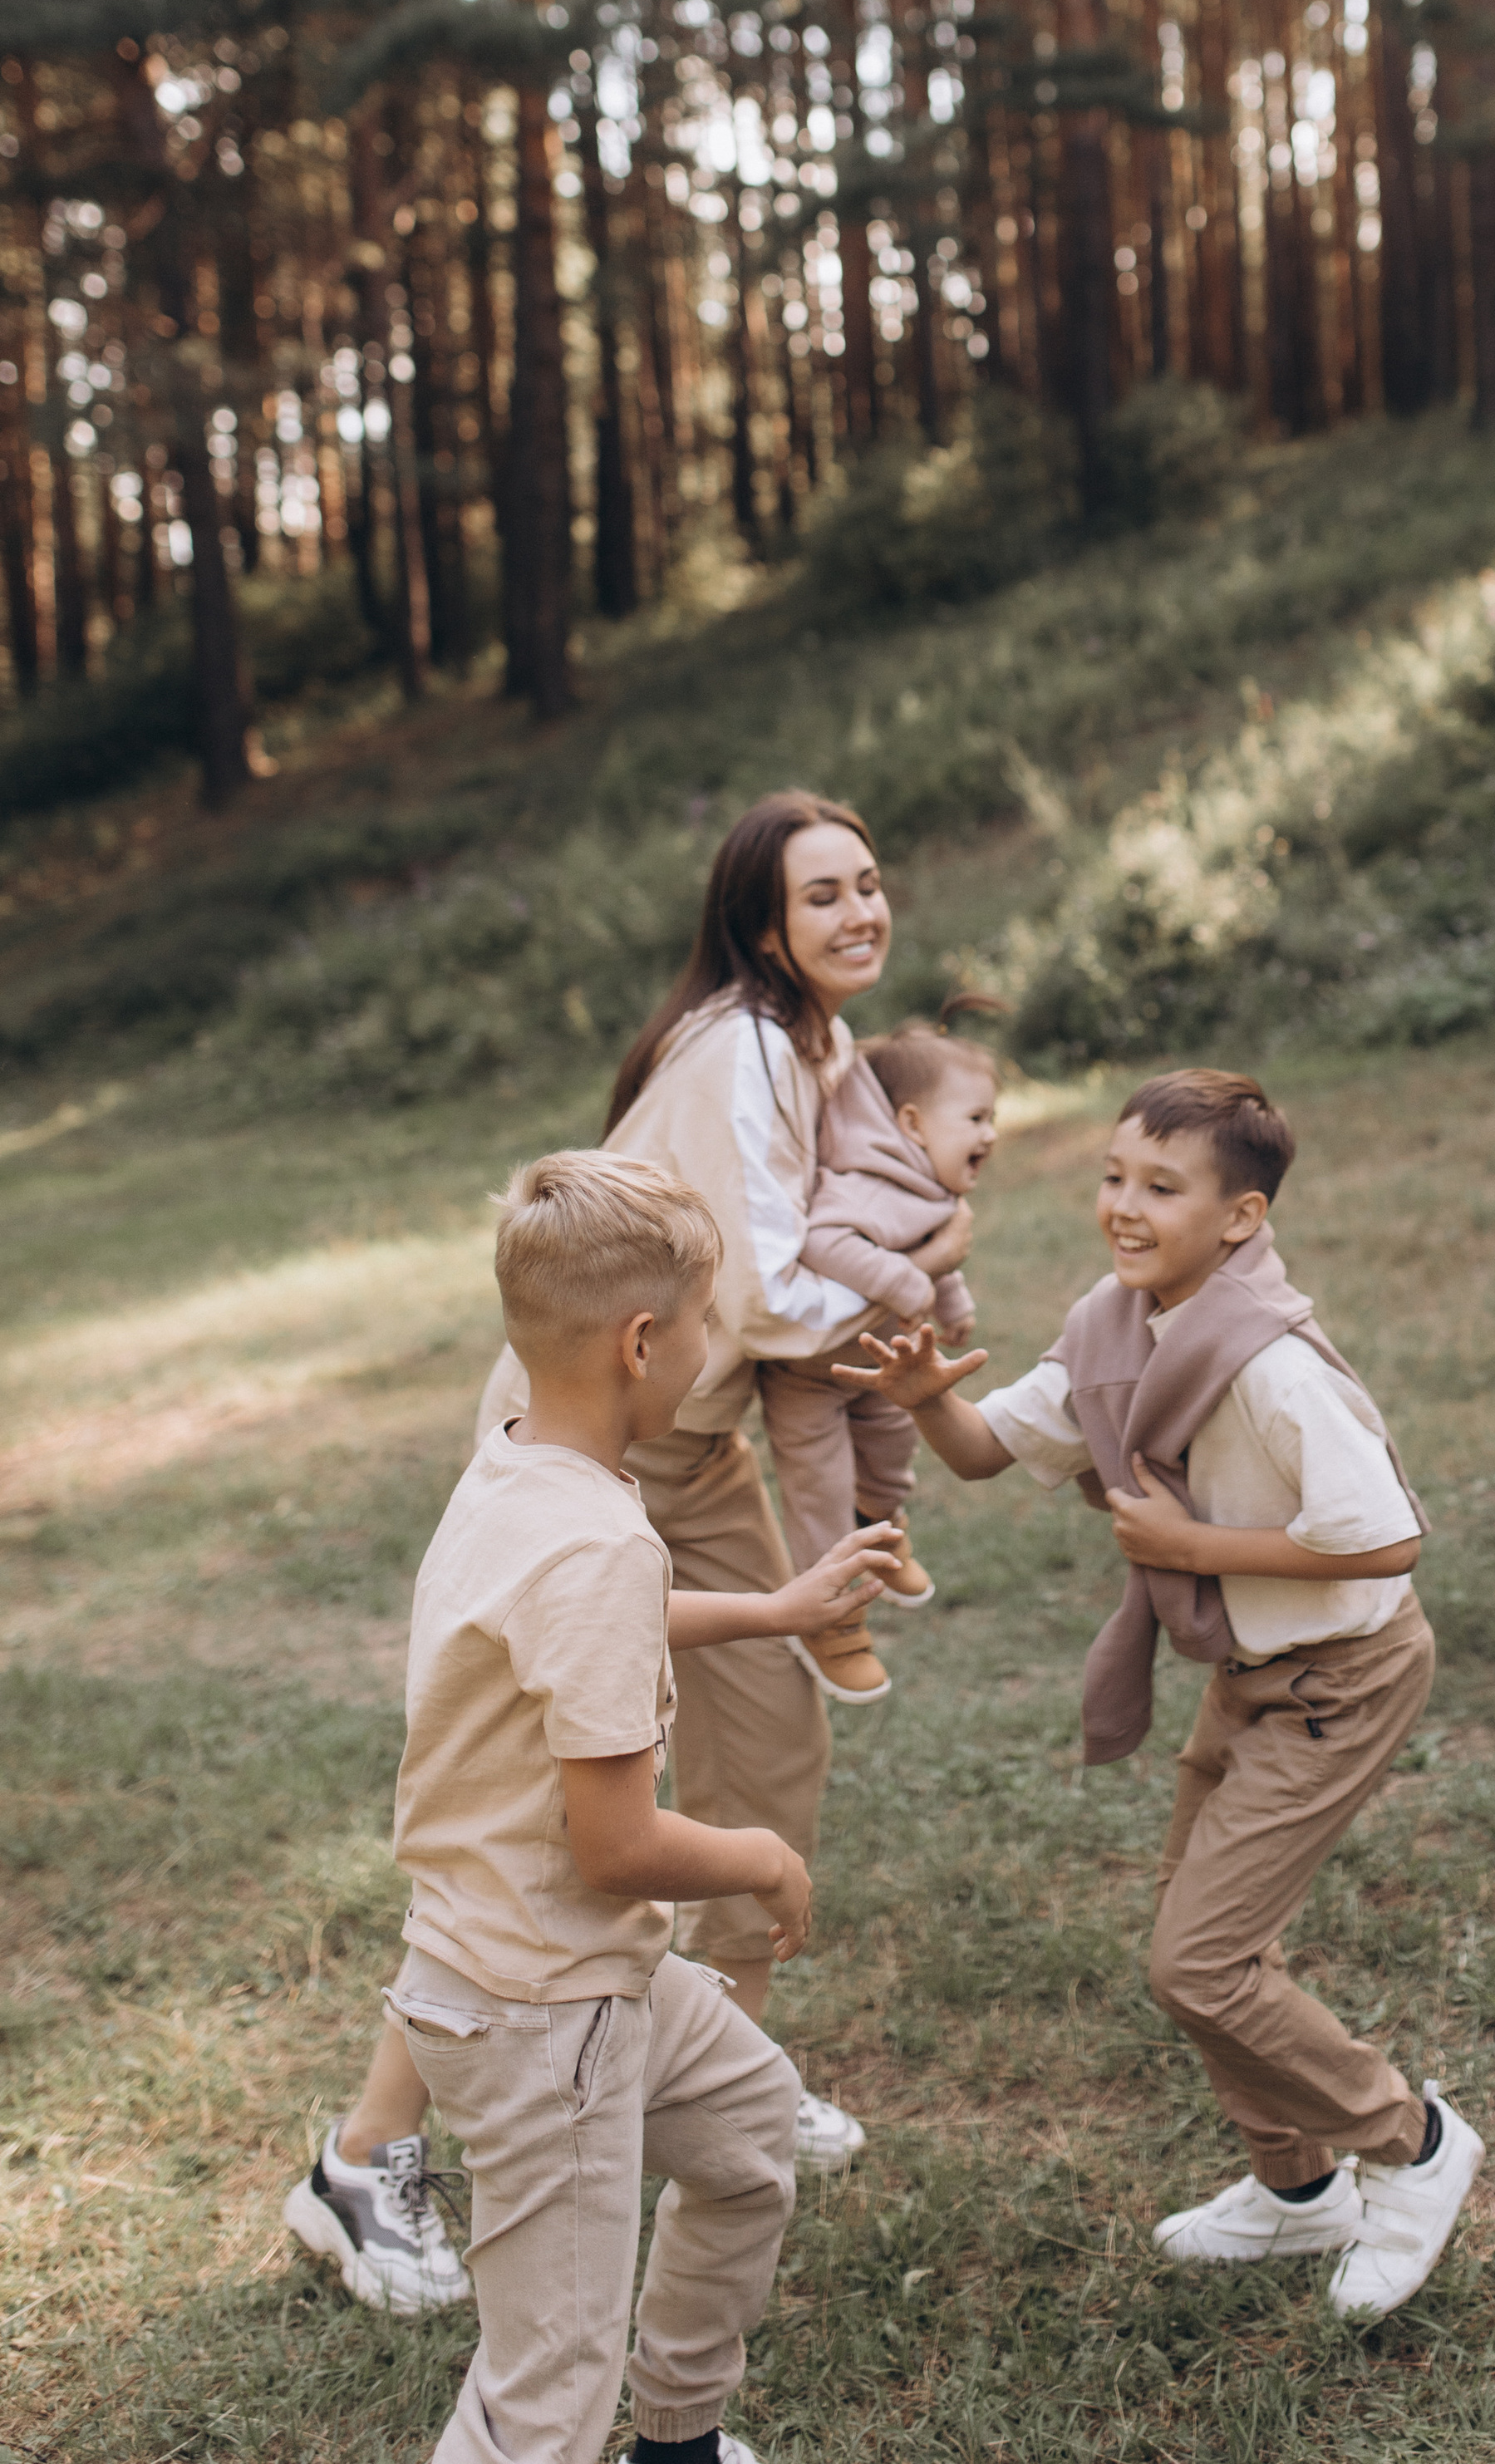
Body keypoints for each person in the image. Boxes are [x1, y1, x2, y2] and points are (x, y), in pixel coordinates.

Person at [285, 790, 966, 2314]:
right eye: (824, 895)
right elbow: (779, 1290)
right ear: (759, 923)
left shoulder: (822, 1047)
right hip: (598, 1431)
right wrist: (922, 1285)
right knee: (537, 1826)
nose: (861, 914)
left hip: (695, 1424)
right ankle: (361, 2160)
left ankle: (725, 2068)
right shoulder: (733, 1050)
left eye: (871, 886)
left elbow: (836, 1231)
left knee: (775, 1730)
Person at [837, 1067, 1487, 2325]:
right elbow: (986, 1450)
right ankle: (1298, 2192)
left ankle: (1413, 2142)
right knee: (1204, 1943)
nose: (1124, 1207)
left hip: (1338, 1680)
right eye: (1114, 1176)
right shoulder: (1116, 1323)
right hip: (1249, 1675)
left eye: (1162, 1186)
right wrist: (926, 1398)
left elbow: (1390, 1536)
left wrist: (1197, 1552)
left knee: (1200, 1961)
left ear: (1241, 1217)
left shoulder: (1273, 1364)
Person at [385, 1148, 897, 2464]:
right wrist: (763, 1856)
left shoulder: (519, 1468)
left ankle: (675, 2443)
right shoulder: (599, 1537)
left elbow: (582, 1625)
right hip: (545, 2011)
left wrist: (775, 1607)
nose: (718, 1346)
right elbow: (616, 1847)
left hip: (529, 1970)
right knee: (547, 2393)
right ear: (642, 1340)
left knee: (744, 2143)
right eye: (711, 1322)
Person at [767, 1015, 1000, 1704]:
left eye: (995, 1117)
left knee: (893, 1448)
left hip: (876, 1366)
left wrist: (949, 1300)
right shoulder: (863, 1184)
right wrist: (914, 1285)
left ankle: (880, 1528)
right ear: (913, 1122)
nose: (991, 1133)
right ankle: (832, 1621)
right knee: (820, 1493)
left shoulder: (926, 1187)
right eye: (977, 1116)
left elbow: (926, 1244)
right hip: (808, 1377)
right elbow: (824, 1243)